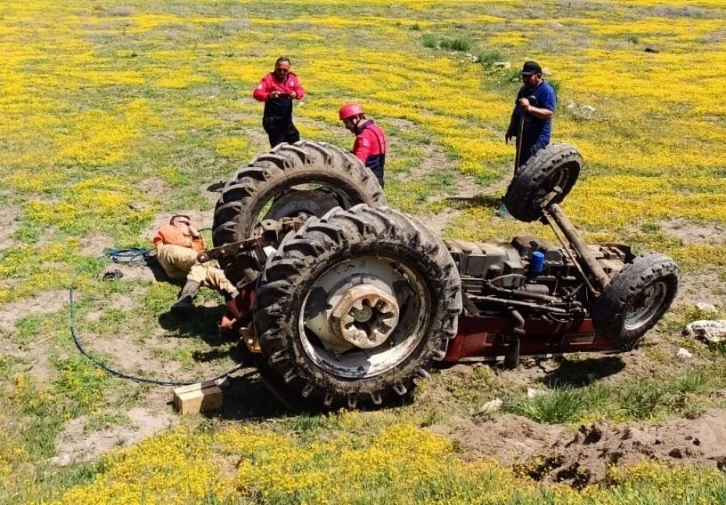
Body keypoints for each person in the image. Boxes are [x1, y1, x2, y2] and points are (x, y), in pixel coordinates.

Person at [153, 215, 238, 312]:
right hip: (170, 252)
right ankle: (185, 297)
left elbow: (198, 251)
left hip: (179, 270)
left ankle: (237, 299)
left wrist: (196, 236)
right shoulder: (169, 228)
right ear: (176, 223)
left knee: (218, 275)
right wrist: (193, 240)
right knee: (201, 260)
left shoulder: (187, 241)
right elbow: (179, 242)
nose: (189, 226)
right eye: (186, 223)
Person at [505, 61, 557, 169]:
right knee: (521, 167)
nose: (525, 79)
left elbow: (548, 113)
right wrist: (511, 128)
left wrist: (529, 108)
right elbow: (517, 109)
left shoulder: (546, 91)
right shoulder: (524, 89)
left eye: (528, 76)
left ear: (538, 76)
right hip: (523, 136)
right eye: (524, 76)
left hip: (537, 140)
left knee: (531, 171)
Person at [253, 57, 305, 148]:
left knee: (294, 138)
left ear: (288, 69)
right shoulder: (269, 79)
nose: (282, 72)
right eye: (279, 69)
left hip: (286, 120)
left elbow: (300, 90)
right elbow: (257, 93)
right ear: (275, 68)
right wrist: (269, 95)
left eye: (285, 70)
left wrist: (295, 94)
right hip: (272, 120)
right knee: (279, 144)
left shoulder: (292, 78)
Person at [339, 102, 387, 188]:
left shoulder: (365, 135)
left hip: (369, 181)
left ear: (356, 118)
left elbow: (359, 162)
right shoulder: (376, 129)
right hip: (378, 177)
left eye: (346, 122)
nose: (346, 127)